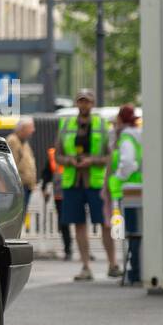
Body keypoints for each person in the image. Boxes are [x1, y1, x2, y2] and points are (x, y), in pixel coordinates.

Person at [57, 88, 120, 281]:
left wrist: (92, 160)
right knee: (79, 225)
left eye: (87, 101)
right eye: (81, 101)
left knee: (105, 224)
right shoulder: (66, 124)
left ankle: (113, 264)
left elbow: (111, 156)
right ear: (77, 103)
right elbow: (57, 155)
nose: (84, 104)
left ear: (92, 104)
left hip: (95, 182)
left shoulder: (102, 125)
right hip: (73, 182)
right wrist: (70, 161)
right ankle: (85, 267)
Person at [106, 104, 143, 286]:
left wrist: (119, 175)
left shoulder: (127, 138)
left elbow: (127, 163)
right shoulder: (139, 135)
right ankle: (137, 270)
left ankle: (135, 272)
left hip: (128, 191)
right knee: (137, 231)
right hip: (137, 190)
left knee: (132, 233)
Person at [42, 145, 72, 260]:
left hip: (76, 190)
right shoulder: (53, 154)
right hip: (60, 195)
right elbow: (46, 173)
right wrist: (45, 187)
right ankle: (67, 249)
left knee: (81, 222)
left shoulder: (78, 150)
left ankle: (84, 250)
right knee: (63, 222)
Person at [6, 116, 37, 217]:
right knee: (17, 216)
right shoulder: (13, 141)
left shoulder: (24, 143)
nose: (33, 131)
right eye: (30, 128)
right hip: (19, 187)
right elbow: (11, 165)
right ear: (22, 129)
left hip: (26, 186)